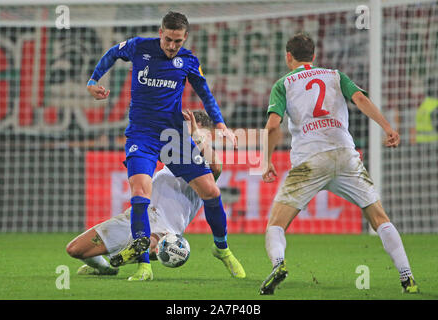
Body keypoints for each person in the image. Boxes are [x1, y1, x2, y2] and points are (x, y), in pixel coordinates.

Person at [259, 33, 418, 295]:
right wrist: (388, 127)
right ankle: (407, 277)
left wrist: (266, 161)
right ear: (314, 56)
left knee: (276, 224)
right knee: (379, 217)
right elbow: (361, 100)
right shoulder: (334, 75)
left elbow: (273, 126)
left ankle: (278, 265)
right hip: (345, 155)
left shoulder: (283, 84)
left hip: (309, 160)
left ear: (288, 57)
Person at [86, 11, 242, 276]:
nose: (172, 46)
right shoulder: (139, 47)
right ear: (160, 33)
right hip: (141, 135)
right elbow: (113, 52)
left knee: (212, 192)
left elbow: (205, 92)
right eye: (168, 39)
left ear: (185, 38)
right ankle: (144, 265)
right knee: (139, 194)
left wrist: (220, 124)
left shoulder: (189, 61)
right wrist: (93, 81)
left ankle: (222, 248)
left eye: (178, 41)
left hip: (173, 136)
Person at [66, 110, 245, 280]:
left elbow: (216, 167)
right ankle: (105, 267)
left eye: (196, 131)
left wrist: (197, 137)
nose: (188, 135)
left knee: (151, 244)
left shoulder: (204, 174)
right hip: (135, 219)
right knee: (74, 249)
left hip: (164, 229)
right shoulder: (169, 162)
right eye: (185, 129)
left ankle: (136, 252)